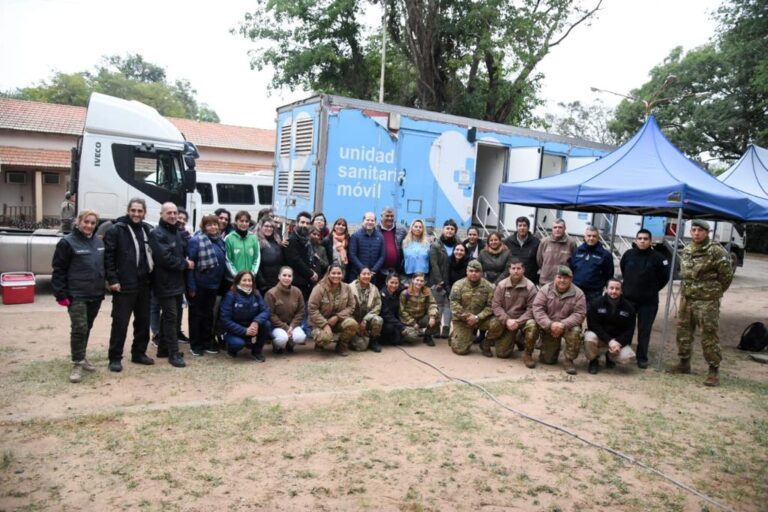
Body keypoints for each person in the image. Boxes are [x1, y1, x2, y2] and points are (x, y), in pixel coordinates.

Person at [668, 219, 734, 386]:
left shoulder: (716, 251)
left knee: (709, 335)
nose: (696, 233)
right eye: (694, 230)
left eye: (700, 230)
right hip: (687, 298)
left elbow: (726, 276)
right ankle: (684, 363)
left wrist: (713, 293)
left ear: (707, 232)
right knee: (683, 332)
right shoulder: (688, 249)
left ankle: (713, 370)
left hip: (706, 301)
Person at [52, 209, 105, 383]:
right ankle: (77, 363)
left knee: (87, 327)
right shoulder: (67, 243)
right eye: (86, 222)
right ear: (78, 222)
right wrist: (61, 294)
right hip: (77, 295)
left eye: (92, 223)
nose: (89, 226)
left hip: (95, 294)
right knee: (79, 329)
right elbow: (59, 270)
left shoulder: (98, 242)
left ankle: (82, 357)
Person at [103, 198, 155, 372]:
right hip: (124, 284)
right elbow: (108, 257)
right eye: (133, 210)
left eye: (140, 211)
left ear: (144, 212)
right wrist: (112, 280)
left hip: (144, 284)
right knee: (120, 322)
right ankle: (115, 357)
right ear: (128, 210)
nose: (136, 214)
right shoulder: (116, 230)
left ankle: (139, 353)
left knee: (143, 321)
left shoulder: (147, 229)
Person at [148, 202, 193, 368]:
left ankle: (163, 348)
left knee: (168, 316)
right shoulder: (157, 233)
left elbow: (181, 250)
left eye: (175, 213)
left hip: (176, 282)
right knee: (171, 317)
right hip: (164, 283)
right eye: (169, 213)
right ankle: (174, 354)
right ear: (161, 214)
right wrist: (185, 264)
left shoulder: (176, 232)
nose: (173, 216)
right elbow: (165, 258)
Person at [620, 229, 669, 369]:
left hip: (648, 302)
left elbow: (664, 278)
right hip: (629, 299)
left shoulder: (658, 258)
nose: (642, 241)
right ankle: (624, 353)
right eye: (640, 238)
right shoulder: (628, 255)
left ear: (650, 241)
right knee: (626, 327)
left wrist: (652, 289)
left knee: (644, 330)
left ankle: (642, 357)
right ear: (635, 240)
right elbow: (624, 271)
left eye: (645, 238)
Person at [532, 266, 587, 374]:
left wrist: (562, 324)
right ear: (555, 278)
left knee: (576, 331)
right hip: (549, 326)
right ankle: (550, 347)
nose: (562, 280)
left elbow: (580, 313)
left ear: (571, 279)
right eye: (559, 277)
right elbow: (537, 309)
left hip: (567, 327)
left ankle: (569, 360)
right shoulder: (545, 290)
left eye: (566, 278)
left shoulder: (578, 293)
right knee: (547, 361)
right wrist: (550, 324)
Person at [186, 214, 226, 357]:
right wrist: (191, 286)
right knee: (196, 315)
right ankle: (195, 345)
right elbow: (190, 265)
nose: (213, 227)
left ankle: (206, 342)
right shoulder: (196, 241)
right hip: (199, 284)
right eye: (209, 225)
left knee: (208, 315)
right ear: (204, 226)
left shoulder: (220, 241)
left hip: (214, 285)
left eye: (215, 224)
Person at [489, 259, 539, 362]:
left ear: (523, 270)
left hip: (523, 320)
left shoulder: (530, 287)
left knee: (532, 325)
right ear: (509, 270)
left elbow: (532, 309)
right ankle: (514, 338)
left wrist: (518, 322)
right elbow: (496, 305)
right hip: (508, 320)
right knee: (502, 354)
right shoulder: (502, 285)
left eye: (518, 268)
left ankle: (528, 354)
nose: (516, 271)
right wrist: (507, 320)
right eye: (513, 268)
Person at [449, 260, 502, 356]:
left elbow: (491, 306)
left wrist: (477, 317)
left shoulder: (489, 286)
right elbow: (454, 304)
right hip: (463, 320)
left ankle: (486, 343)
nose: (474, 273)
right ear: (467, 272)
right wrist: (467, 317)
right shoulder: (458, 285)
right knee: (461, 350)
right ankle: (457, 335)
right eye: (471, 271)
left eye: (477, 271)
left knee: (499, 322)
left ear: (481, 273)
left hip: (481, 319)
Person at [584, 278, 636, 374]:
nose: (614, 291)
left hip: (617, 341)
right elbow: (593, 325)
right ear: (605, 289)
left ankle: (610, 357)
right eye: (611, 288)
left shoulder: (629, 307)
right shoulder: (596, 303)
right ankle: (593, 360)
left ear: (621, 291)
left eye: (617, 289)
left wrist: (618, 343)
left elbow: (630, 330)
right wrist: (610, 341)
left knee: (628, 357)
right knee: (589, 336)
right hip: (600, 337)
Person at [307, 263, 358, 356]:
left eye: (339, 273)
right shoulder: (319, 288)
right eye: (333, 273)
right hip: (320, 323)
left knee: (352, 324)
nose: (336, 276)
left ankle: (341, 346)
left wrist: (337, 317)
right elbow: (312, 308)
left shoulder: (347, 288)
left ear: (342, 274)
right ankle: (319, 344)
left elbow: (351, 306)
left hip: (338, 321)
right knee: (325, 338)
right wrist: (325, 324)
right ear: (328, 274)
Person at [219, 270, 271, 361]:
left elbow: (265, 311)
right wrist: (244, 331)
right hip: (234, 331)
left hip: (252, 328)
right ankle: (231, 349)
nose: (247, 283)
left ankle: (256, 352)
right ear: (238, 281)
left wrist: (256, 322)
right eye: (244, 280)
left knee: (266, 324)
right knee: (238, 344)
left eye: (249, 280)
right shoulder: (231, 295)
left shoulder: (256, 293)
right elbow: (225, 319)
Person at [265, 267, 307, 354]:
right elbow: (270, 314)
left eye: (289, 276)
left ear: (292, 278)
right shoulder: (271, 293)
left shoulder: (297, 292)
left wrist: (291, 326)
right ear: (279, 276)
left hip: (292, 325)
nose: (287, 278)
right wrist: (286, 327)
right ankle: (277, 346)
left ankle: (290, 344)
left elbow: (301, 311)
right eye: (284, 275)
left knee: (300, 337)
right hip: (277, 326)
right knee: (282, 338)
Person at [429, 219, 459, 338]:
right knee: (438, 304)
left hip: (452, 280)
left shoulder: (458, 243)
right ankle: (436, 327)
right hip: (438, 280)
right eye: (447, 228)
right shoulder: (436, 245)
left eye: (452, 229)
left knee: (448, 304)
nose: (449, 231)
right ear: (443, 229)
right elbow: (434, 264)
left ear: (455, 231)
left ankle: (446, 328)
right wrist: (439, 280)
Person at [571, 226, 614, 304]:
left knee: (592, 314)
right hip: (576, 289)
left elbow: (609, 273)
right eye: (589, 236)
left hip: (594, 292)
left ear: (598, 237)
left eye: (594, 236)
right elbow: (571, 268)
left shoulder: (605, 255)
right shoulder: (577, 251)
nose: (591, 238)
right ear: (585, 236)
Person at [285, 211, 319, 300]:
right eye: (302, 222)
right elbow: (295, 260)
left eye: (307, 223)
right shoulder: (292, 240)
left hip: (306, 281)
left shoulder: (307, 240)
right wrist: (310, 273)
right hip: (296, 282)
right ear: (297, 223)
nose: (304, 225)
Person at [349, 268, 384, 352]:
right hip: (354, 321)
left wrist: (365, 319)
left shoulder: (374, 289)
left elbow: (377, 307)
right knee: (361, 347)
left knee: (378, 320)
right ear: (358, 276)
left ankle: (373, 341)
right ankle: (350, 339)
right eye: (364, 274)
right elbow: (346, 307)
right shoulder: (350, 288)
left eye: (368, 274)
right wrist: (357, 325)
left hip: (367, 321)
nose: (366, 276)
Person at [400, 273, 439, 346]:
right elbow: (402, 311)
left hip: (421, 318)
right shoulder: (405, 293)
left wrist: (432, 316)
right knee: (411, 337)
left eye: (421, 281)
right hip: (409, 320)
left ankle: (428, 336)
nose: (419, 283)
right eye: (417, 280)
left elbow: (432, 304)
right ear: (412, 280)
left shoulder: (427, 291)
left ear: (424, 282)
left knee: (436, 317)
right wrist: (413, 323)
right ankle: (409, 333)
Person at [537, 218, 576, 285]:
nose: (557, 230)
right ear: (552, 229)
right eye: (555, 227)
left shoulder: (571, 243)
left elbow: (574, 262)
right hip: (546, 281)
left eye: (560, 227)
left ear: (565, 228)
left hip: (563, 281)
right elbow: (539, 260)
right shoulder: (544, 242)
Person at [348, 212, 385, 282]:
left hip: (373, 275)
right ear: (363, 221)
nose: (370, 222)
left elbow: (382, 256)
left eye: (372, 220)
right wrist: (363, 270)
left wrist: (374, 270)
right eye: (367, 220)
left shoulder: (380, 237)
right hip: (357, 274)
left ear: (375, 222)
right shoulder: (355, 236)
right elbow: (352, 255)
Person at [376, 207, 408, 286]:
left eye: (392, 216)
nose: (390, 218)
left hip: (395, 271)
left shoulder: (402, 229)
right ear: (381, 216)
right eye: (387, 216)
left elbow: (411, 239)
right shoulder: (375, 229)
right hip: (378, 271)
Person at [225, 210, 261, 278]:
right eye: (241, 221)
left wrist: (252, 273)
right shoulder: (229, 238)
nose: (244, 224)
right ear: (236, 221)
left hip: (250, 278)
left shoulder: (254, 238)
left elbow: (257, 258)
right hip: (235, 279)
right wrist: (236, 275)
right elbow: (228, 260)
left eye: (246, 221)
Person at [504, 217, 540, 284]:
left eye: (524, 225)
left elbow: (539, 260)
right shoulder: (508, 241)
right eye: (520, 225)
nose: (522, 228)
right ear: (516, 227)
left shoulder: (536, 242)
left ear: (528, 227)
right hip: (512, 279)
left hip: (530, 280)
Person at [255, 217, 284, 296]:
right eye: (266, 226)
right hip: (263, 284)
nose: (269, 228)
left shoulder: (277, 242)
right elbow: (256, 265)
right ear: (261, 227)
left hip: (277, 282)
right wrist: (262, 283)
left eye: (271, 226)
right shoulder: (256, 242)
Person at [380, 273, 406, 346]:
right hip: (385, 321)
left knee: (400, 339)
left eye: (396, 283)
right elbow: (386, 314)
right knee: (390, 329)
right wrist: (401, 326)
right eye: (391, 282)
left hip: (394, 320)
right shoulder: (382, 294)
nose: (394, 285)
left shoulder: (397, 292)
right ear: (386, 282)